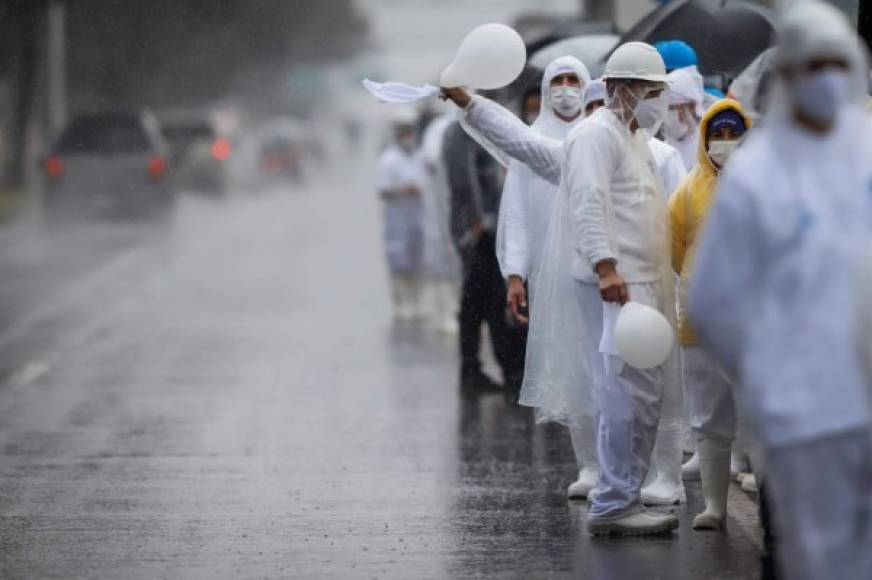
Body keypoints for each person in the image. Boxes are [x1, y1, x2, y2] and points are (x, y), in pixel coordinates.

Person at [688, 2, 872, 576]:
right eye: (811, 66)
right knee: (805, 549)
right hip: (800, 410)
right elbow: (714, 298)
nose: (825, 80)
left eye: (836, 64)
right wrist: (768, 371)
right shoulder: (758, 173)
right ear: (788, 74)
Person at [497, 56, 600, 498]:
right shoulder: (530, 144)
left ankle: (635, 465)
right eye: (556, 80)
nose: (564, 89)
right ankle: (591, 465)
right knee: (574, 369)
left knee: (613, 366)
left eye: (572, 80)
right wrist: (515, 273)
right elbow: (515, 214)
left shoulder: (599, 141)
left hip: (605, 269)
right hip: (552, 275)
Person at [669, 99, 751, 531]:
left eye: (732, 132)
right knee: (708, 416)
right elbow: (676, 248)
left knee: (759, 409)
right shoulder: (687, 190)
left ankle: (770, 497)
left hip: (754, 323)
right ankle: (716, 506)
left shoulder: (764, 186)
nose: (725, 142)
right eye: (716, 134)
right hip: (700, 324)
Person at [443, 117, 525, 390]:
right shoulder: (461, 129)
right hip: (480, 230)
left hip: (485, 226)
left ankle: (475, 370)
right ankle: (502, 371)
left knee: (475, 300)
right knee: (486, 298)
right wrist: (478, 222)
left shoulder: (472, 126)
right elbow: (463, 179)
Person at [377, 109, 425, 323]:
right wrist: (403, 191)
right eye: (403, 131)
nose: (407, 134)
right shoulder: (388, 159)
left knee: (417, 260)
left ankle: (416, 302)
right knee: (398, 261)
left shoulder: (420, 155)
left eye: (410, 130)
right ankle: (400, 304)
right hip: (397, 218)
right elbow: (383, 190)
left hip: (418, 216)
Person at [419, 110, 462, 335]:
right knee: (445, 259)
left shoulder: (483, 120)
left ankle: (472, 314)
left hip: (472, 206)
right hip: (442, 207)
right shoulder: (438, 128)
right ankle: (448, 312)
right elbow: (432, 158)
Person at [661, 67, 704, 171]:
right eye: (665, 108)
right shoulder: (662, 150)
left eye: (673, 108)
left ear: (692, 107)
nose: (668, 115)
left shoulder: (710, 145)